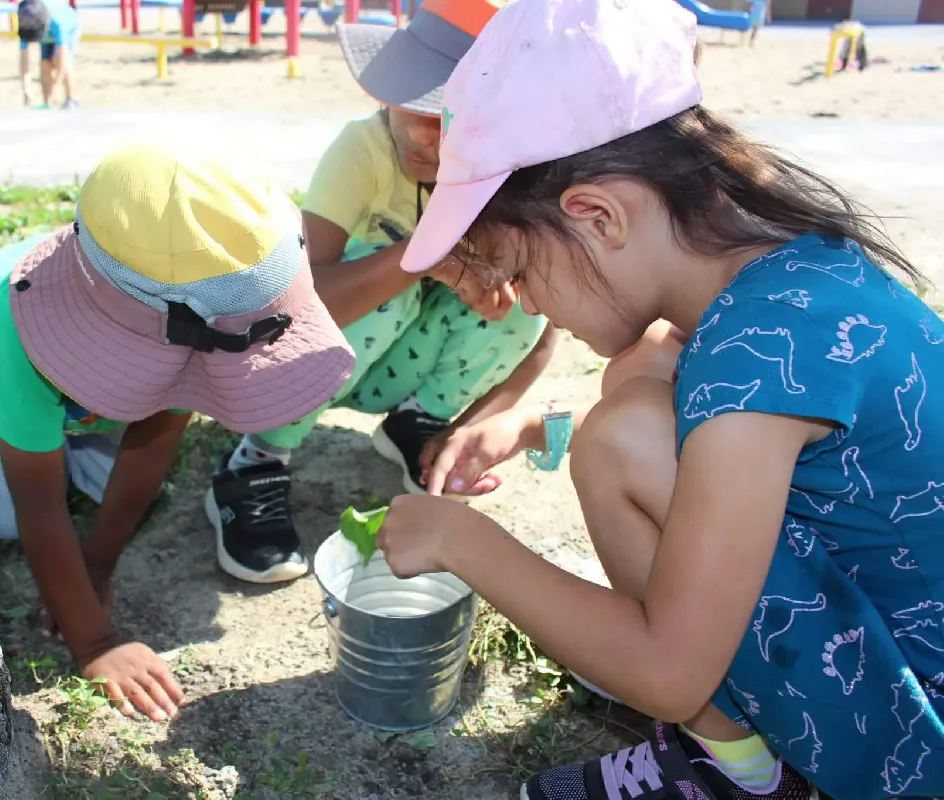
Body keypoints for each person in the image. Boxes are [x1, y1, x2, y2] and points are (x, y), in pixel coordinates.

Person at [379, 0, 944, 798]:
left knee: (619, 436)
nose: (525, 305)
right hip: (911, 660)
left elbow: (668, 674)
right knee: (631, 392)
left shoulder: (746, 367)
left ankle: (746, 774)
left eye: (518, 270)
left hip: (917, 752)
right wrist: (535, 424)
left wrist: (462, 543)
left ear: (598, 215)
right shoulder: (789, 277)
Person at [0, 143, 354, 722]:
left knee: (119, 486)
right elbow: (38, 504)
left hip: (86, 412)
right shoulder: (10, 332)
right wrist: (94, 641)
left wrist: (98, 563)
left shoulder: (203, 297)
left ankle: (71, 451)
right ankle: (44, 447)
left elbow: (154, 441)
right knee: (13, 513)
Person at [205, 0, 557, 586]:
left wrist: (466, 430)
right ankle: (257, 460)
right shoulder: (362, 150)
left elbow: (544, 337)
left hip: (401, 367)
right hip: (320, 361)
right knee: (387, 284)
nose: (422, 134)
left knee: (520, 303)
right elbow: (299, 300)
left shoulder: (504, 176)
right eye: (409, 105)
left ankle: (417, 424)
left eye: (447, 117)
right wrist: (421, 259)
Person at [17, 0, 80, 108]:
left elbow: (62, 58)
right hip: (47, 30)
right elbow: (24, 62)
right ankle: (47, 103)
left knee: (60, 61)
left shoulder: (58, 23)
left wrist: (57, 84)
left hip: (69, 29)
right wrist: (27, 91)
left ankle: (71, 99)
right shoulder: (26, 20)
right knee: (45, 64)